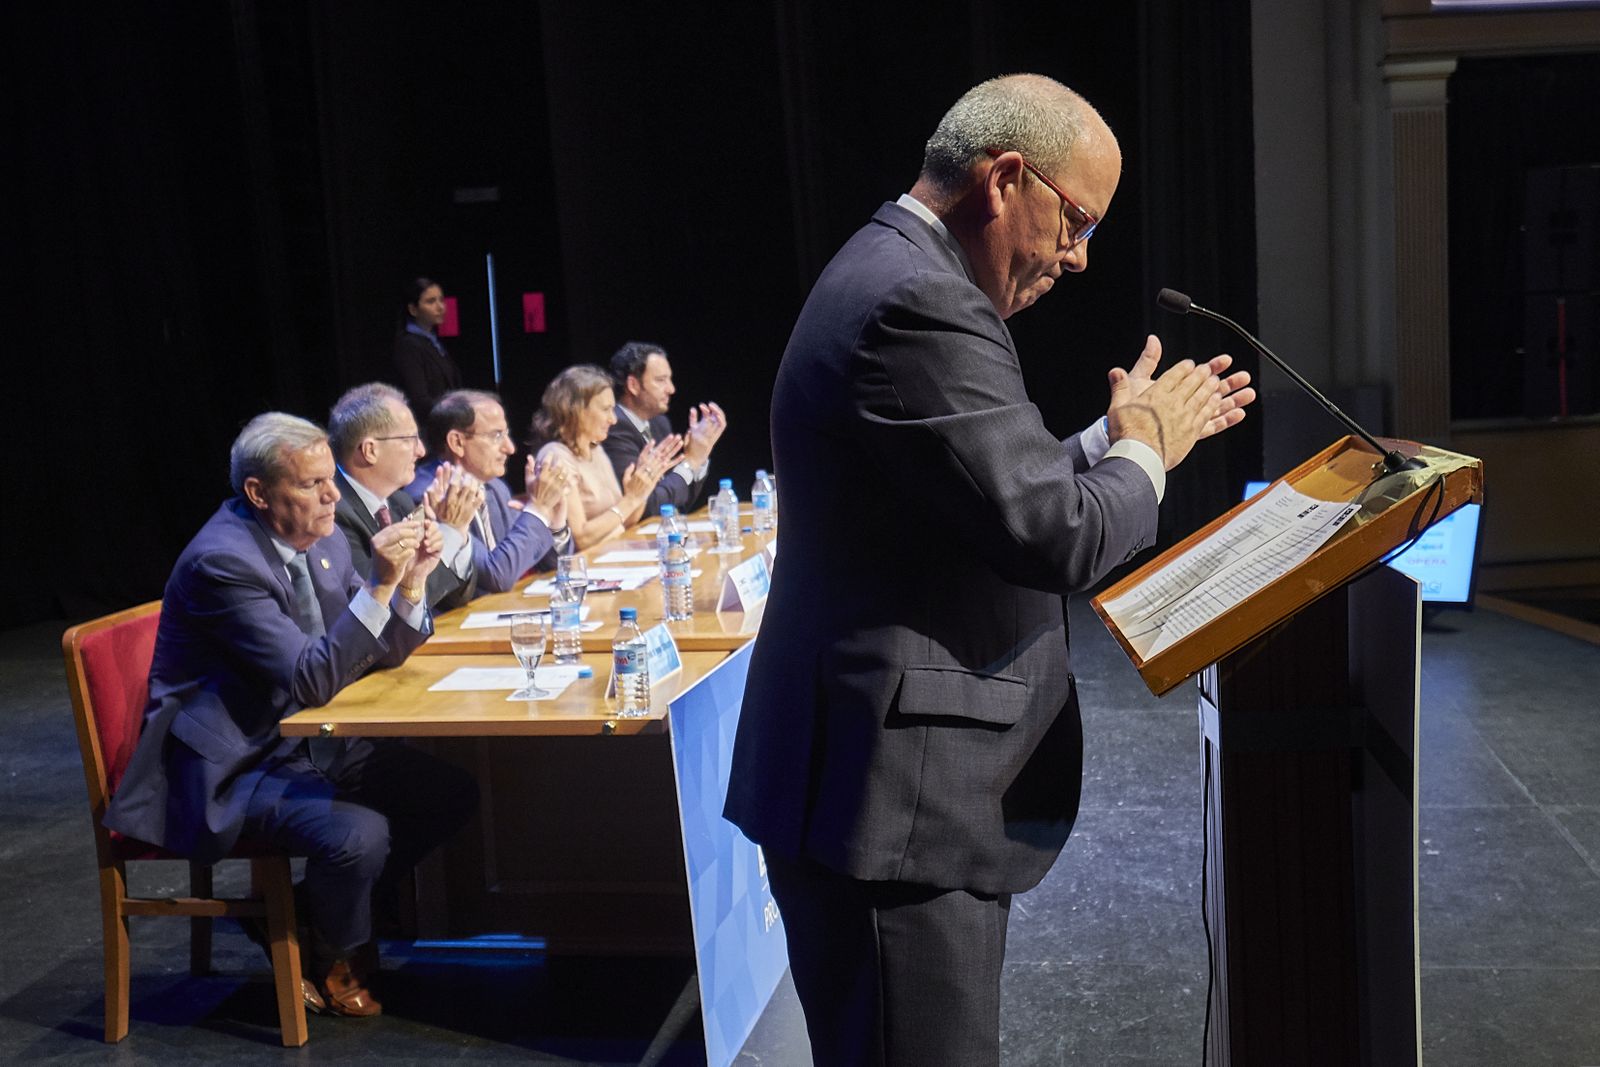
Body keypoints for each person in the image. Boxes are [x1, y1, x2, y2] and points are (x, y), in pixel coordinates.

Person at [723, 74, 1255, 1066]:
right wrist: (1145, 449)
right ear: (1008, 178)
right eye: (1078, 219)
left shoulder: (896, 270)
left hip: (886, 796)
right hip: (893, 811)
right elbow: (1053, 535)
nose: (1080, 257)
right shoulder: (919, 301)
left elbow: (973, 484)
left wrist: (1108, 435)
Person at [104, 413, 479, 1017]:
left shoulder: (322, 536)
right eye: (311, 485)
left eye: (331, 479)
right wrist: (381, 587)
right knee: (360, 835)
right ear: (258, 493)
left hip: (306, 737)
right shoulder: (222, 564)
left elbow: (374, 648)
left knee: (446, 792)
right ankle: (336, 954)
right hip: (235, 760)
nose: (333, 496)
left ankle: (300, 922)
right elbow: (313, 674)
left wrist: (411, 583)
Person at [329, 382, 484, 610]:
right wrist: (450, 531)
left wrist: (457, 533)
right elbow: (383, 611)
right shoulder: (333, 513)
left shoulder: (399, 502)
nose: (421, 451)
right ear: (370, 450)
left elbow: (452, 598)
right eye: (410, 439)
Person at [406, 389, 570, 593]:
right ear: (457, 442)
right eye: (497, 435)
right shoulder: (430, 496)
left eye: (506, 434)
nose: (510, 448)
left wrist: (554, 523)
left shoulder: (495, 487)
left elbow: (555, 565)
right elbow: (497, 576)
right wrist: (537, 509)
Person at [527, 364, 683, 550]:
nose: (613, 419)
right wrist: (630, 499)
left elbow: (624, 522)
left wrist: (642, 490)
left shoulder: (596, 450)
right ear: (577, 411)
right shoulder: (556, 457)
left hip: (614, 557)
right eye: (605, 409)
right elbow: (580, 538)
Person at [602, 340, 728, 517]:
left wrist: (700, 454)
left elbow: (677, 499)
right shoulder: (614, 428)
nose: (671, 389)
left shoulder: (659, 423)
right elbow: (647, 506)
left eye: (669, 379)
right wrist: (690, 462)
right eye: (661, 380)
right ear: (633, 385)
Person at [392, 276, 463, 418]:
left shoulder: (433, 341)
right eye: (431, 301)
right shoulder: (408, 345)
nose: (440, 306)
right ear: (413, 309)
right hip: (427, 429)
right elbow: (419, 401)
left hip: (445, 424)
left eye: (441, 300)